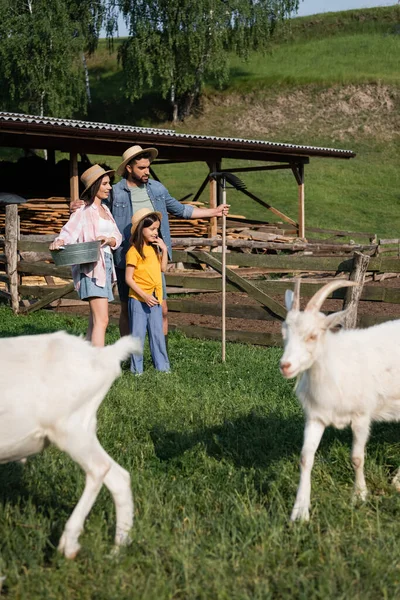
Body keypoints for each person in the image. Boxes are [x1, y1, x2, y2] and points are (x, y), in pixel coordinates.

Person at [70, 145, 230, 344]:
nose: (147, 171)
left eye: (148, 167)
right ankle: (127, 353)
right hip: (125, 256)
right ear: (129, 168)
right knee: (128, 307)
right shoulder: (115, 192)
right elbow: (94, 206)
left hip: (153, 257)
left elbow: (180, 210)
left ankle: (159, 354)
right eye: (142, 168)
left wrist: (213, 212)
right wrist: (77, 204)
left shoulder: (157, 189)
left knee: (161, 308)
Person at [50, 165, 122, 347]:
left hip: (105, 264)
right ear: (95, 186)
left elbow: (118, 236)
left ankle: (87, 362)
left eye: (109, 183)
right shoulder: (83, 211)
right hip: (91, 267)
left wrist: (109, 240)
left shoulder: (106, 210)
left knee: (95, 319)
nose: (109, 187)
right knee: (102, 320)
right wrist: (59, 242)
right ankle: (98, 366)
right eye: (105, 184)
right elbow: (68, 232)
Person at [125, 208, 170, 375]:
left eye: (157, 229)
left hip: (155, 299)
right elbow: (129, 279)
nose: (155, 232)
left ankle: (163, 368)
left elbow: (162, 268)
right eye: (151, 229)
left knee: (157, 335)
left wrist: (164, 250)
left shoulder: (154, 249)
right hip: (138, 299)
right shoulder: (133, 252)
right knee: (137, 336)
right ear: (140, 229)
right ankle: (137, 371)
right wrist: (144, 295)